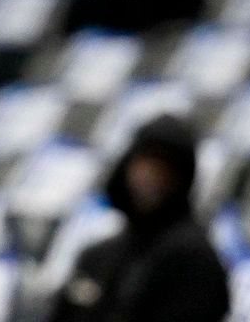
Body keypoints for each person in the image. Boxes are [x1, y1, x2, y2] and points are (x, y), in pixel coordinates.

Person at [51, 114, 230, 322]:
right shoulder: (97, 256)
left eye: (164, 165)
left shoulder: (194, 261)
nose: (149, 175)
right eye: (145, 160)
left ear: (182, 177)